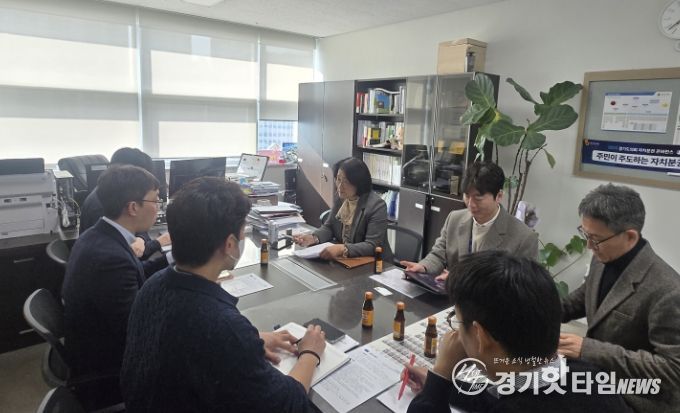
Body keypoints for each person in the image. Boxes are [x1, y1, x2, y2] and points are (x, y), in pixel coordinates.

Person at [121, 178, 326, 412]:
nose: (243, 238)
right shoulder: (221, 326)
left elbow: (187, 344)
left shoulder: (153, 285)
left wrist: (252, 339)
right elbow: (287, 405)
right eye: (243, 232)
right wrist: (310, 353)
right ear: (229, 244)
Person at [406, 251, 633, 412]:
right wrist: (442, 387)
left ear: (480, 336)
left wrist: (441, 374)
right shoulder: (585, 373)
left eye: (456, 321)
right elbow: (501, 397)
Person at [560, 184, 680, 412]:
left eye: (595, 239)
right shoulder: (603, 256)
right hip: (596, 379)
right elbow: (581, 300)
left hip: (637, 398)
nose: (589, 245)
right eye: (585, 234)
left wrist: (589, 349)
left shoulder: (668, 290)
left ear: (630, 236)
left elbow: (672, 369)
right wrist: (534, 309)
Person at [62, 165, 168, 378]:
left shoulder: (98, 234)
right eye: (156, 200)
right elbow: (136, 327)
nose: (158, 207)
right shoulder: (110, 259)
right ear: (133, 207)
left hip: (94, 337)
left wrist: (172, 260)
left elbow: (134, 272)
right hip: (106, 361)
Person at [401, 161, 537, 281]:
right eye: (467, 195)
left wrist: (461, 280)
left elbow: (519, 286)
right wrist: (423, 267)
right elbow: (439, 254)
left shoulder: (524, 238)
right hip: (451, 298)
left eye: (478, 198)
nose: (470, 204)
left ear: (499, 196)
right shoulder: (454, 219)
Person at [80, 147, 170, 259]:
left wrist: (141, 239)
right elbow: (130, 255)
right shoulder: (100, 206)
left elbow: (137, 232)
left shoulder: (113, 194)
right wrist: (158, 243)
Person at [293, 157, 391, 260]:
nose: (340, 187)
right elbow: (329, 227)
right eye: (338, 179)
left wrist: (343, 249)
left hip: (374, 263)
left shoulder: (377, 206)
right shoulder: (342, 198)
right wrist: (313, 238)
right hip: (346, 260)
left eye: (346, 182)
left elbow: (372, 245)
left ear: (359, 183)